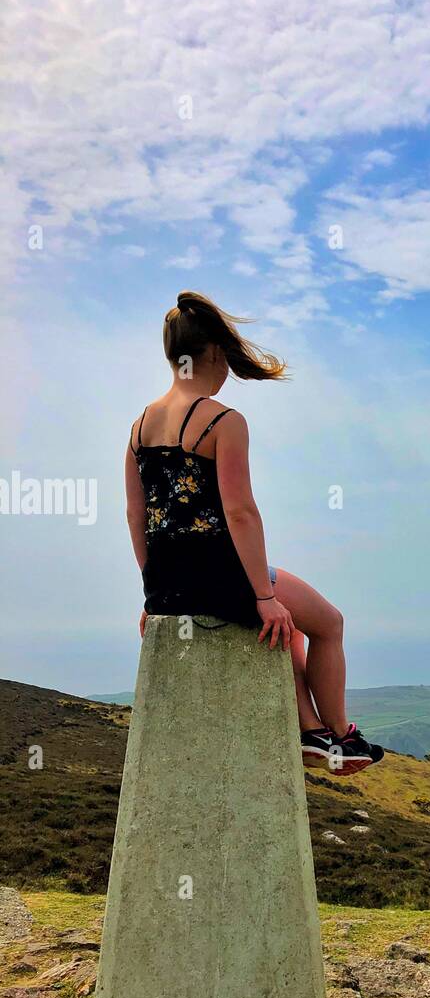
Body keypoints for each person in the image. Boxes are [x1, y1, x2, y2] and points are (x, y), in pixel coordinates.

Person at [124, 290, 383, 775]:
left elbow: (136, 515)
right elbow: (240, 512)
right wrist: (263, 596)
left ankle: (311, 732)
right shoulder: (223, 421)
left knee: (290, 634)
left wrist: (154, 591)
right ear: (216, 353)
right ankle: (344, 737)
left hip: (167, 586)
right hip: (223, 579)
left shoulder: (138, 429)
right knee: (328, 623)